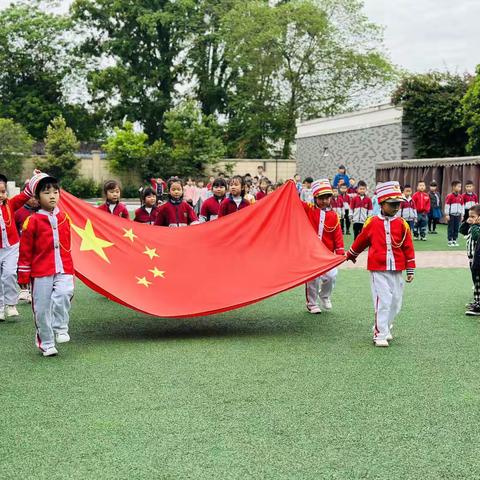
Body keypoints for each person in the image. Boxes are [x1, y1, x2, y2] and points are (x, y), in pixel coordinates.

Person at [346, 181, 415, 347]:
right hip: (378, 269)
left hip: (397, 269)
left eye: (398, 203)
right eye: (392, 204)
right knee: (383, 300)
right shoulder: (372, 222)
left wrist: (410, 268)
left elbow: (408, 247)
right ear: (382, 203)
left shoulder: (402, 224)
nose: (396, 207)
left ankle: (385, 326)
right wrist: (351, 254)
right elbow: (361, 240)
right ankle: (380, 334)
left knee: (396, 302)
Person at [18, 173, 75, 357]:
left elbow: (67, 245)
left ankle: (60, 327)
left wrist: (69, 266)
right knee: (41, 308)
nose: (52, 196)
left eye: (55, 192)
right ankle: (47, 342)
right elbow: (25, 251)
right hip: (41, 271)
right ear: (36, 197)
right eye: (46, 192)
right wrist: (23, 275)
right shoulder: (32, 221)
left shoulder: (65, 218)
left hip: (63, 268)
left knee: (65, 292)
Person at [302, 179, 344, 314]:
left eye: (327, 198)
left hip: (327, 254)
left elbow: (337, 235)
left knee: (331, 276)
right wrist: (290, 187)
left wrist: (340, 252)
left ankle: (324, 296)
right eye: (321, 198)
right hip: (311, 253)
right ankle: (311, 303)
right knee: (312, 279)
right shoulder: (309, 209)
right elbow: (296, 203)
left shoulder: (334, 216)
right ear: (315, 198)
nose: (325, 201)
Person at [0, 174, 34, 320]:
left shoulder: (11, 204)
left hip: (12, 247)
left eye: (3, 191)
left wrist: (35, 178)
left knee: (9, 274)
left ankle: (11, 304)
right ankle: (0, 308)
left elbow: (27, 193)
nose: (1, 195)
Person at [460, 204, 480, 315]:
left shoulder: (477, 228)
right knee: (475, 281)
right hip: (472, 259)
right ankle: (477, 301)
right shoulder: (472, 226)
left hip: (477, 259)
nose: (470, 218)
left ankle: (479, 304)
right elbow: (462, 230)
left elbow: (477, 236)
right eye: (469, 216)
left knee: (478, 281)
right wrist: (467, 222)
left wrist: (474, 225)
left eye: (473, 216)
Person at [444, 180, 464, 247]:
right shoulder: (449, 196)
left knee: (456, 228)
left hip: (458, 215)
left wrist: (462, 215)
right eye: (458, 186)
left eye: (460, 187)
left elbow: (462, 206)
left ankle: (455, 240)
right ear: (453, 187)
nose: (460, 188)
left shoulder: (461, 197)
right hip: (451, 215)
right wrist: (447, 214)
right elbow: (447, 206)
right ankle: (450, 240)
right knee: (451, 228)